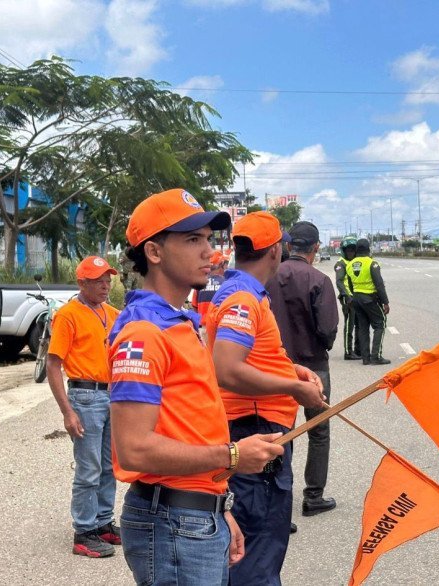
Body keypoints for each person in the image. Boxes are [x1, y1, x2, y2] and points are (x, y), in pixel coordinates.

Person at [108, 188, 284, 585]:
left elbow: (188, 427)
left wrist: (219, 506)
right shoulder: (144, 333)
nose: (210, 251)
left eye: (207, 238)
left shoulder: (178, 322)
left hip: (194, 515)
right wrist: (234, 456)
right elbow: (134, 448)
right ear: (154, 252)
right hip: (174, 524)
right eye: (192, 240)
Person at [204, 211, 325, 585]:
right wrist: (293, 388)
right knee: (258, 546)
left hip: (255, 425)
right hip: (254, 429)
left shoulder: (244, 293)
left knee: (259, 542)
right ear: (275, 250)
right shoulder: (243, 299)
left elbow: (253, 357)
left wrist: (292, 370)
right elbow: (227, 368)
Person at [46, 255, 121, 558]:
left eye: (108, 280)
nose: (105, 285)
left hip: (112, 395)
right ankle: (84, 531)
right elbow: (53, 364)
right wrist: (68, 412)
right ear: (82, 283)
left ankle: (102, 522)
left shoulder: (113, 314)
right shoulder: (68, 315)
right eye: (98, 281)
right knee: (89, 468)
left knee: (109, 466)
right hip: (85, 397)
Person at [266, 221, 339, 518]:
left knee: (280, 432)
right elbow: (327, 330)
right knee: (318, 430)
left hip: (275, 366)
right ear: (316, 247)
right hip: (314, 366)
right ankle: (314, 496)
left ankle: (278, 503)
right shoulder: (319, 280)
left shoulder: (269, 278)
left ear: (287, 245)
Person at [347, 238, 390, 365]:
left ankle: (365, 358)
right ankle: (376, 356)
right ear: (368, 249)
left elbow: (350, 285)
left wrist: (356, 295)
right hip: (370, 299)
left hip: (356, 298)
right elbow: (379, 284)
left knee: (363, 327)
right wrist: (385, 302)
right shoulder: (372, 264)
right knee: (380, 324)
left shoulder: (350, 264)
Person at [334, 237, 361, 360]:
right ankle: (348, 352)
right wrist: (347, 296)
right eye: (348, 250)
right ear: (344, 251)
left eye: (353, 250)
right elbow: (339, 282)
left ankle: (358, 350)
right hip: (348, 298)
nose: (351, 252)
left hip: (357, 298)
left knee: (359, 324)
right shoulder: (341, 263)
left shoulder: (356, 262)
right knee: (349, 326)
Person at [191, 250, 228, 317]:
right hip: (218, 322)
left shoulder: (200, 282)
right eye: (226, 264)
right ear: (221, 265)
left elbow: (194, 307)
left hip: (202, 323)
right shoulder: (227, 283)